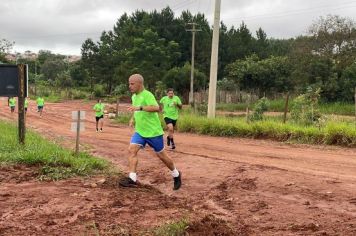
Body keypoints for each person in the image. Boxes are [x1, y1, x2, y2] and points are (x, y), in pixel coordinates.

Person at [119, 74, 182, 190]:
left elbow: (156, 108)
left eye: (132, 84)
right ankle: (132, 178)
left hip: (153, 132)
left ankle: (176, 174)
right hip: (140, 132)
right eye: (129, 83)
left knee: (162, 156)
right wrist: (132, 118)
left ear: (139, 84)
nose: (130, 86)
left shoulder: (147, 95)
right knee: (132, 150)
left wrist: (140, 108)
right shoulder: (134, 96)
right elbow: (135, 109)